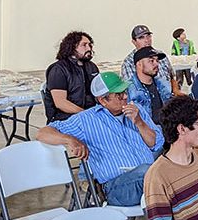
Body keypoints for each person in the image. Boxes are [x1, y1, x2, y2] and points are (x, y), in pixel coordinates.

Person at [36, 72, 162, 206]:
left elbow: (155, 144)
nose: (125, 96)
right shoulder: (87, 119)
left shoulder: (137, 111)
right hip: (117, 187)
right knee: (151, 173)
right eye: (119, 95)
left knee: (167, 171)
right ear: (103, 100)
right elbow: (43, 133)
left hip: (148, 178)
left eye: (125, 91)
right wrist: (70, 140)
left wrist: (139, 122)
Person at [42, 31, 100, 123]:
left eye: (90, 45)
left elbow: (99, 93)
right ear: (72, 47)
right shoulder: (58, 69)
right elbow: (60, 103)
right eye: (84, 45)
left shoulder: (92, 67)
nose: (89, 48)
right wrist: (87, 114)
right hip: (65, 119)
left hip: (88, 115)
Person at [121, 24, 179, 96]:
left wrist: (176, 91)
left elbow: (171, 77)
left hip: (168, 99)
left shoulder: (161, 55)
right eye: (141, 38)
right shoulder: (128, 63)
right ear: (134, 42)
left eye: (148, 36)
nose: (146, 40)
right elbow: (131, 90)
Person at [127, 47, 173, 124]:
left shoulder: (163, 84)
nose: (156, 64)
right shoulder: (129, 89)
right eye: (151, 61)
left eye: (157, 60)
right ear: (139, 64)